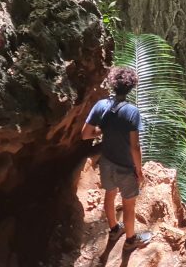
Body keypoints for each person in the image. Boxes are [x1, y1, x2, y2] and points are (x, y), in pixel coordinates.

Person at [81, 66, 153, 251]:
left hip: (106, 162)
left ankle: (114, 229)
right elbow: (135, 146)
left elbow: (85, 134)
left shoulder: (101, 105)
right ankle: (130, 241)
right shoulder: (131, 112)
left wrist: (103, 130)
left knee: (109, 195)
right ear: (131, 87)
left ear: (113, 84)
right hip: (126, 167)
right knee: (129, 206)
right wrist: (139, 170)